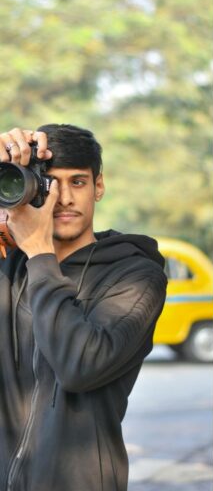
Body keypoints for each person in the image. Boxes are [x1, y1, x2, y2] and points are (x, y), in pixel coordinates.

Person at [0, 125, 167, 491]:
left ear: (99, 186)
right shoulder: (9, 266)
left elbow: (79, 366)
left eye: (77, 182)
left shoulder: (136, 276)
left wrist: (40, 254)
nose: (63, 199)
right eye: (50, 184)